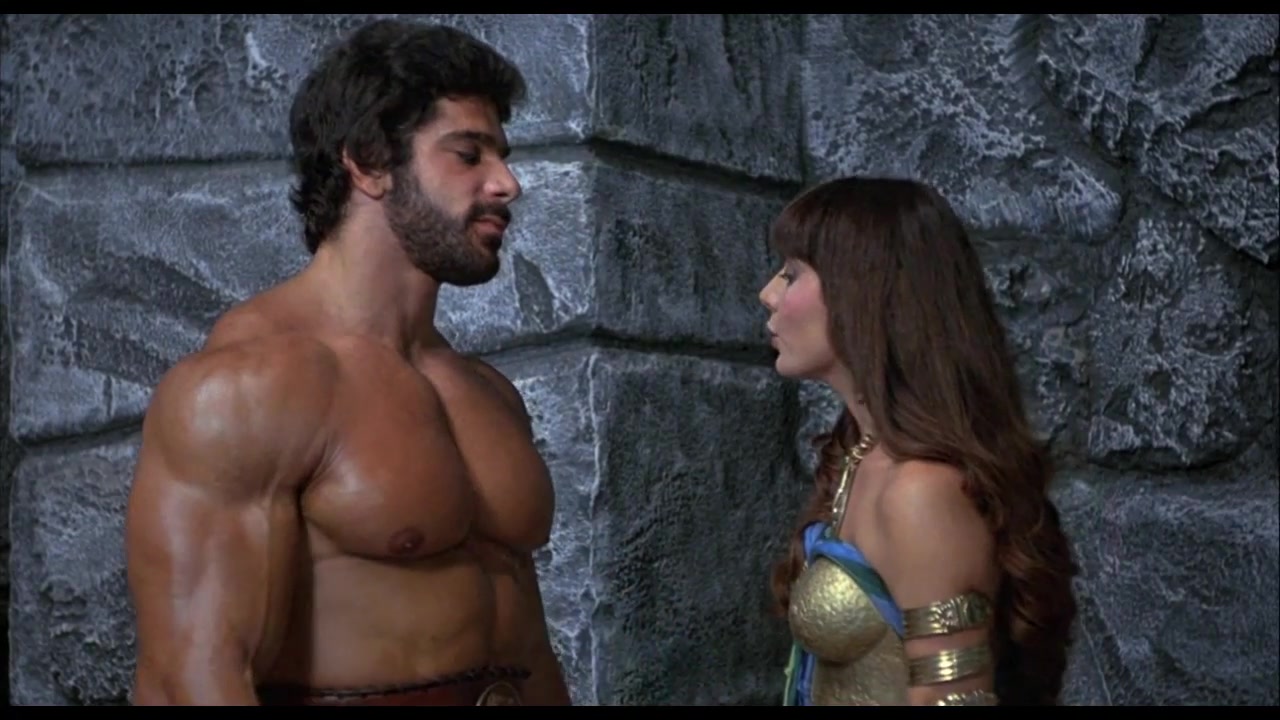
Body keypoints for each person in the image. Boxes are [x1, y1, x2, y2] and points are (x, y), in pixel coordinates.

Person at [124, 18, 571, 706]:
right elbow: (191, 679)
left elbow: (530, 656)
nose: (507, 183)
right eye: (468, 154)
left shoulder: (487, 393)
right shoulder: (248, 388)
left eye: (502, 156)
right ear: (368, 163)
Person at [757, 176, 1080, 706]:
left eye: (791, 273)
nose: (768, 293)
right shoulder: (861, 455)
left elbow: (952, 700)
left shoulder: (921, 492)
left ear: (863, 291)